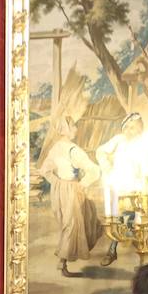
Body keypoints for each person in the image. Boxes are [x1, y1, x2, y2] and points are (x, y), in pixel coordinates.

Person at [40, 115, 103, 277]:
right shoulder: (73, 150)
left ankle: (65, 260)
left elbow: (45, 170)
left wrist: (56, 182)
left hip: (60, 189)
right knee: (72, 224)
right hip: (71, 189)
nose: (75, 129)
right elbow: (94, 170)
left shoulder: (55, 148)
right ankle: (62, 263)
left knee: (82, 221)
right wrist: (82, 184)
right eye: (73, 126)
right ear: (66, 130)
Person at [96, 113, 147, 268]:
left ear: (140, 130)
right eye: (128, 127)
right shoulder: (118, 140)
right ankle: (112, 250)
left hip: (136, 186)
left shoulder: (143, 144)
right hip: (120, 185)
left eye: (134, 128)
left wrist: (143, 172)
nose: (130, 131)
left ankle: (142, 251)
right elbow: (100, 151)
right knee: (118, 218)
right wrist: (107, 166)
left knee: (135, 218)